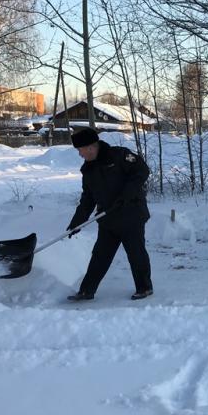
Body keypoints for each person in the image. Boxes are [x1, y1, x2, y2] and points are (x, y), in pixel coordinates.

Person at [66, 127, 153, 302]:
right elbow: (88, 199)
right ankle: (86, 291)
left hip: (131, 215)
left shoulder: (119, 156)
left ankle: (144, 288)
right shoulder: (88, 170)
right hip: (108, 219)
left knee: (136, 253)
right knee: (100, 256)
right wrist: (77, 222)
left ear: (91, 146)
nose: (80, 155)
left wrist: (126, 195)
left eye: (80, 150)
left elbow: (142, 171)